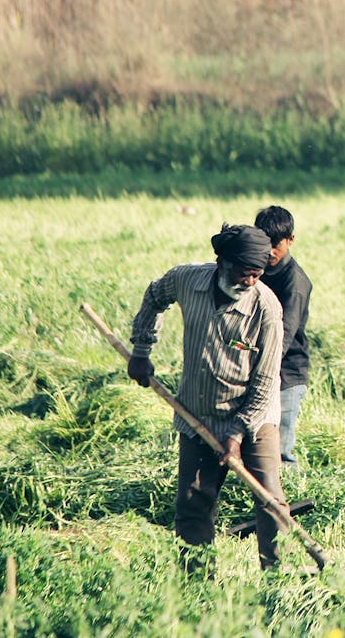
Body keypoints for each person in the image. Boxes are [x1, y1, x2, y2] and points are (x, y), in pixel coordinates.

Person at [128, 223, 288, 572]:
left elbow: (265, 382)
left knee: (270, 500)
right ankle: (198, 582)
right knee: (192, 503)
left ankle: (278, 576)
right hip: (197, 415)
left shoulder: (267, 309)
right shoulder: (187, 279)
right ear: (222, 262)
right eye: (244, 273)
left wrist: (236, 434)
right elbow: (155, 296)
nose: (249, 282)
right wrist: (141, 349)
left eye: (257, 275)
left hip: (254, 418)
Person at [254, 205, 312, 468]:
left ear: (290, 240)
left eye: (276, 244)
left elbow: (284, 337)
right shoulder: (254, 271)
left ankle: (285, 504)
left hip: (286, 374)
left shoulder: (296, 283)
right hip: (257, 366)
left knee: (280, 451)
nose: (271, 251)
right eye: (265, 243)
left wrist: (259, 367)